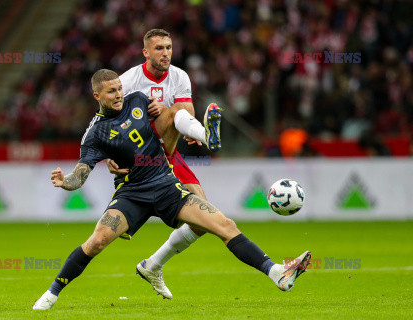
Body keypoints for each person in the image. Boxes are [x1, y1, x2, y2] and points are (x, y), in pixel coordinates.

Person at [32, 69, 311, 310]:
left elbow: (163, 121)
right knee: (97, 242)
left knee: (224, 224)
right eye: (111, 92)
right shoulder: (95, 133)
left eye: (119, 89)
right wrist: (66, 181)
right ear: (97, 96)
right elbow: (81, 173)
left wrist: (173, 120)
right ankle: (51, 293)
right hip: (131, 195)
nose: (118, 94)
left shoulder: (138, 100)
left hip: (166, 185)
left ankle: (277, 273)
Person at [108, 28, 219, 299]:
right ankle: (205, 134)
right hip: (138, 155)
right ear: (146, 52)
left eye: (169, 47)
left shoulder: (179, 75)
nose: (166, 53)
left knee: (204, 219)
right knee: (109, 232)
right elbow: (108, 121)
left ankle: (152, 265)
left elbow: (186, 110)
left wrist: (186, 124)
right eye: (159, 48)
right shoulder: (128, 80)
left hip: (167, 153)